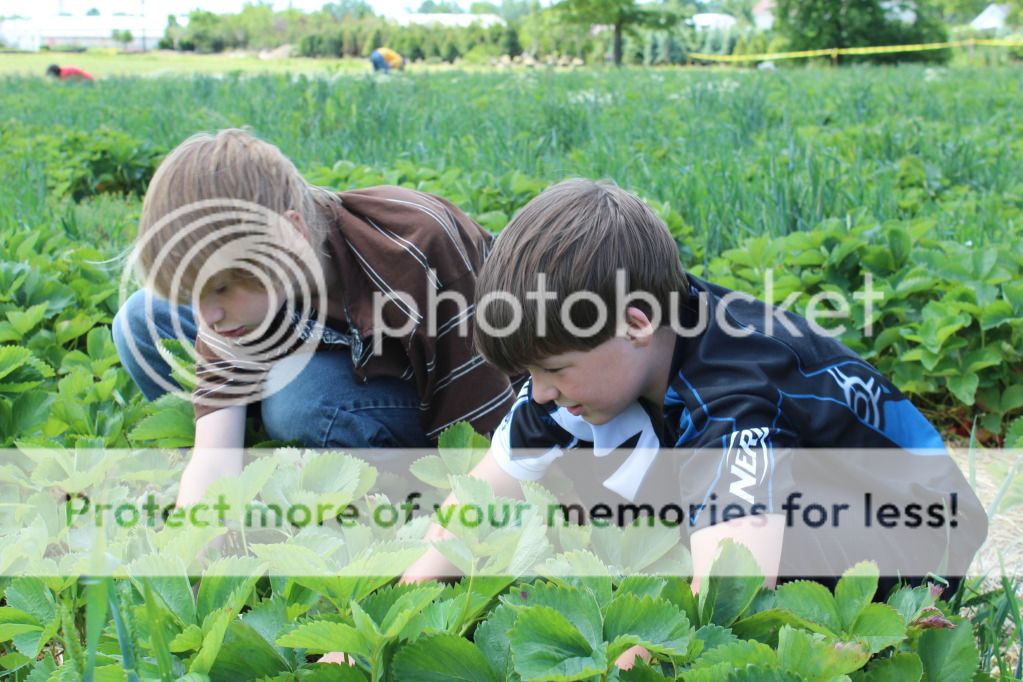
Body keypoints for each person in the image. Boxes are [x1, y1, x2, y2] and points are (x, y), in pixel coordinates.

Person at [389, 178, 986, 670]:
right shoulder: (604, 360)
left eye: (553, 370)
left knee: (729, 568)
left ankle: (858, 638)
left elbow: (734, 584)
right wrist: (400, 615)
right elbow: (481, 499)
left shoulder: (733, 395)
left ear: (636, 325)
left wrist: (640, 656)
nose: (540, 392)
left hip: (910, 529)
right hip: (800, 491)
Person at [113, 128, 514, 507]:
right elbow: (212, 459)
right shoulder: (238, 293)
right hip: (326, 355)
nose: (209, 316)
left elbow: (486, 437)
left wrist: (452, 517)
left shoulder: (417, 249)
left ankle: (352, 470)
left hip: (461, 396)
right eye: (194, 294)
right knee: (143, 318)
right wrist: (196, 532)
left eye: (220, 288)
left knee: (300, 403)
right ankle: (274, 459)